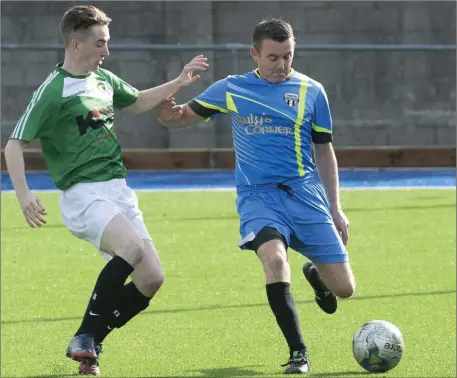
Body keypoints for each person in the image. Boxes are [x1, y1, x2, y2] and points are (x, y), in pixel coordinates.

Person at [4, 5, 208, 376]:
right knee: (130, 249)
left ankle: (91, 344)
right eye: (100, 43)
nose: (106, 51)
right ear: (76, 43)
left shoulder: (104, 80)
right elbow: (13, 145)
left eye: (107, 43)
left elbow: (140, 101)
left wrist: (178, 82)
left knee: (151, 278)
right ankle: (85, 334)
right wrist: (24, 195)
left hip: (118, 192)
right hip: (84, 195)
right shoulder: (53, 90)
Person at [155, 18, 356, 374]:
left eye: (288, 56)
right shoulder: (231, 89)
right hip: (258, 197)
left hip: (305, 195)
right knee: (275, 261)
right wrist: (165, 114)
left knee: (344, 289)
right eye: (274, 57)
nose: (281, 65)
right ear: (255, 54)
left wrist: (336, 208)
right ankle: (299, 353)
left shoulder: (312, 91)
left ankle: (317, 275)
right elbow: (181, 118)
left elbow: (324, 152)